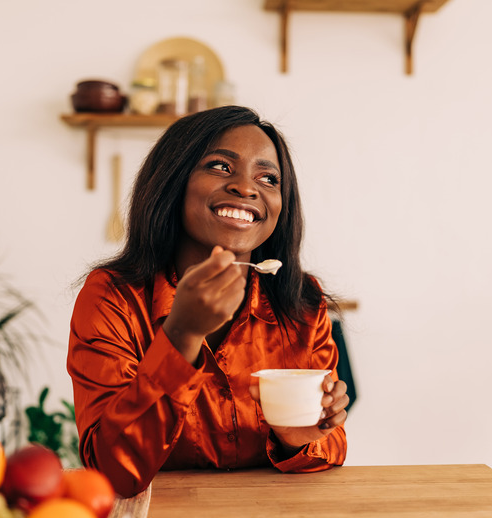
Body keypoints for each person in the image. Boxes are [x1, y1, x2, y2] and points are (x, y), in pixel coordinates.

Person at [67, 106, 349, 498]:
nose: (247, 188)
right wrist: (181, 335)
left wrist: (299, 439)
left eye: (268, 178)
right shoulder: (112, 297)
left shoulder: (301, 301)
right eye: (220, 166)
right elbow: (112, 472)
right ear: (173, 181)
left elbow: (331, 446)